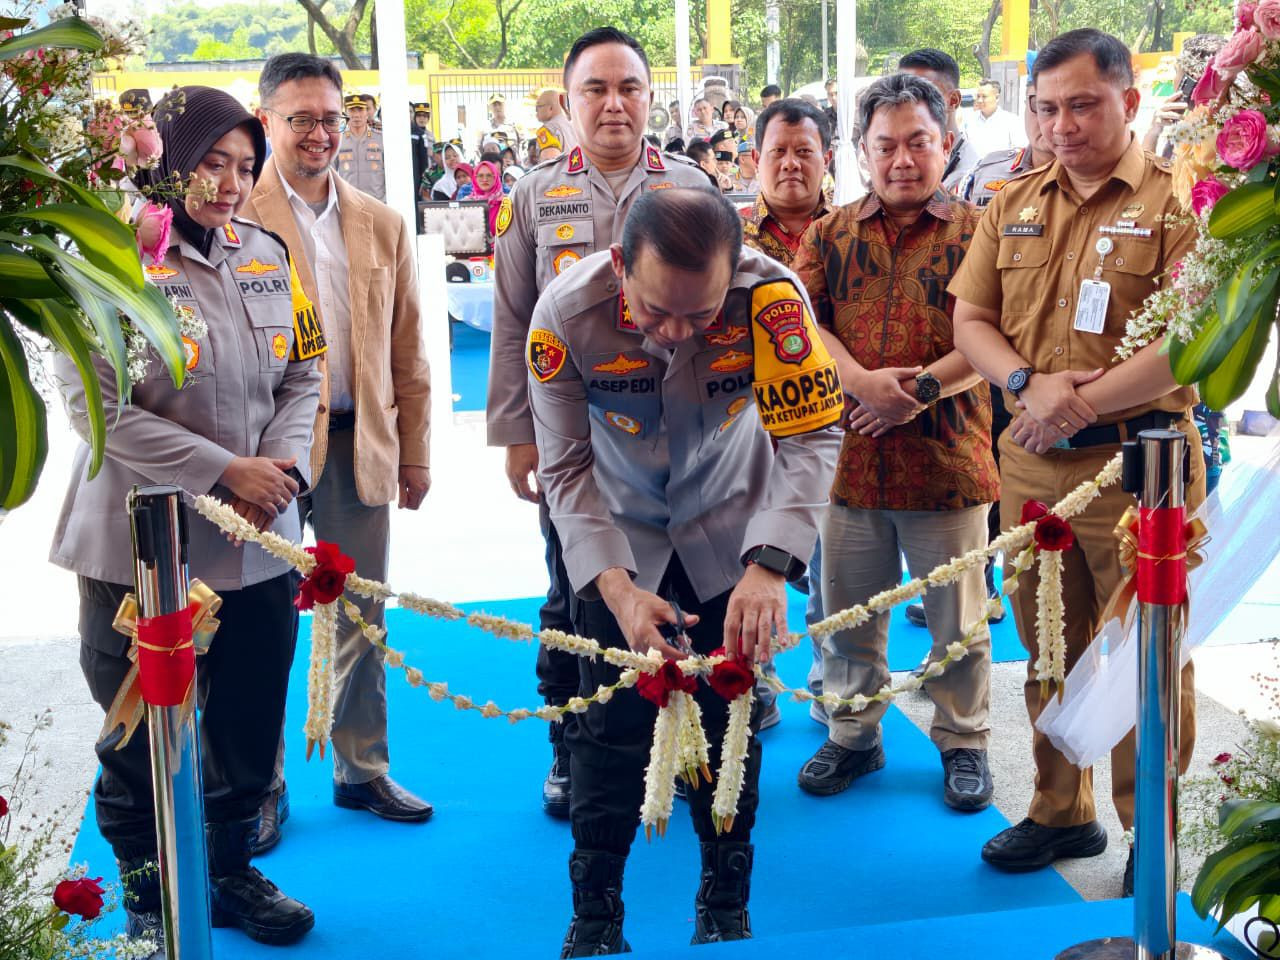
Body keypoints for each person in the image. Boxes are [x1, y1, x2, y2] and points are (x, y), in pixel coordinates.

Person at [528, 187, 842, 955]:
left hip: (732, 534)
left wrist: (770, 567)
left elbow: (811, 437)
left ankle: (724, 904)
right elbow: (564, 468)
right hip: (618, 538)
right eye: (654, 311)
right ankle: (596, 918)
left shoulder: (771, 299)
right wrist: (614, 588)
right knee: (607, 733)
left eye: (699, 316)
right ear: (618, 265)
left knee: (729, 720)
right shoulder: (565, 313)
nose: (674, 333)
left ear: (734, 273)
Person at [52, 85, 320, 950]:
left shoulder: (267, 253)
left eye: (245, 167)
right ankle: (146, 883)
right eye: (211, 163)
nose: (231, 185)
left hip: (256, 540)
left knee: (246, 722)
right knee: (138, 734)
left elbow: (304, 374)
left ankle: (230, 871)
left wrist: (277, 469)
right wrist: (224, 469)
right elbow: (94, 407)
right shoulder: (108, 260)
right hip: (142, 547)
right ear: (166, 161)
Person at [948, 28, 1204, 893]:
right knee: (1047, 644)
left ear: (1129, 101)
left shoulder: (1180, 206)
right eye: (1046, 107)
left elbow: (1192, 345)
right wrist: (1027, 383)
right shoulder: (1012, 202)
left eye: (1083, 105)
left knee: (1144, 654)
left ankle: (1151, 834)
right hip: (1032, 467)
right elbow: (971, 322)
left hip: (1140, 470)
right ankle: (1061, 810)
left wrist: (1077, 402)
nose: (1061, 125)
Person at [487, 27, 709, 821]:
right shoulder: (534, 194)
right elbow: (513, 318)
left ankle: (680, 741)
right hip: (576, 439)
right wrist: (517, 432)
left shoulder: (691, 186)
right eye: (596, 89)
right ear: (570, 99)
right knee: (571, 592)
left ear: (651, 97)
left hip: (679, 439)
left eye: (629, 88)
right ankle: (571, 743)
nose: (614, 104)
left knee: (681, 587)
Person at [790, 72, 998, 809]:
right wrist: (857, 380)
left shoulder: (983, 230)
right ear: (861, 151)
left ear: (947, 143)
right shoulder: (829, 233)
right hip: (847, 463)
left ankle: (964, 741)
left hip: (949, 460)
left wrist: (916, 394)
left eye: (918, 142)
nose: (902, 159)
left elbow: (997, 333)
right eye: (886, 145)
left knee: (958, 622)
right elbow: (802, 324)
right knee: (847, 617)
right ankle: (853, 736)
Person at [246, 53, 434, 837]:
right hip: (267, 460)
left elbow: (409, 348)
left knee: (363, 615)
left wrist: (416, 451)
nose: (320, 133)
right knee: (260, 625)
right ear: (266, 121)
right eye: (301, 119)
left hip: (363, 446)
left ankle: (364, 768)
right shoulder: (238, 217)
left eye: (331, 117)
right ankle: (258, 785)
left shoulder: (381, 222)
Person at [903, 78, 1056, 637]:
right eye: (1042, 106)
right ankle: (983, 583)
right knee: (992, 477)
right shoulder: (991, 176)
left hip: (1064, 376)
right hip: (993, 365)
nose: (1053, 122)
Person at [739, 97, 833, 715]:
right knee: (751, 566)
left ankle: (834, 688)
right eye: (779, 151)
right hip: (744, 438)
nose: (792, 163)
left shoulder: (853, 231)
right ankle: (754, 684)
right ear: (755, 157)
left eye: (805, 151)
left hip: (830, 431)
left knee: (834, 575)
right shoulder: (727, 236)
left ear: (828, 157)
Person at [898, 48, 980, 190]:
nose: (907, 104)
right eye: (899, 94)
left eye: (921, 95)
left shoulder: (970, 178)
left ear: (953, 100)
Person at [1141, 34, 1225, 155]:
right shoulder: (1237, 125)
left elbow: (1145, 167)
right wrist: (1154, 130)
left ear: (1189, 82)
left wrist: (1153, 132)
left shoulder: (1197, 133)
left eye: (1176, 71)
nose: (1173, 79)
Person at [335, 92, 386, 201]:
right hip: (348, 202)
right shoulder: (338, 140)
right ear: (345, 113)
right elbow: (331, 173)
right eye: (352, 110)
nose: (356, 115)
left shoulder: (381, 139)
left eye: (360, 110)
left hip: (377, 202)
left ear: (367, 113)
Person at [963, 78, 1027, 158]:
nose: (979, 100)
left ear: (997, 98)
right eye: (978, 96)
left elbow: (1019, 153)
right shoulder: (969, 121)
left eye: (984, 96)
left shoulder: (1011, 121)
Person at [410, 101, 435, 201]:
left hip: (428, 171)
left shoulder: (430, 135)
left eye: (425, 116)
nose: (422, 119)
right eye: (419, 116)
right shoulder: (412, 133)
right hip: (416, 171)